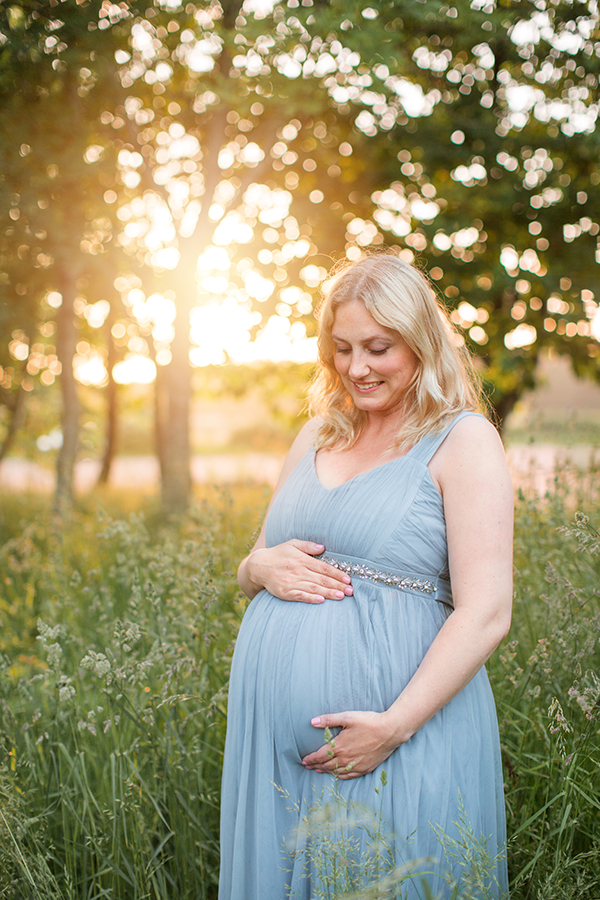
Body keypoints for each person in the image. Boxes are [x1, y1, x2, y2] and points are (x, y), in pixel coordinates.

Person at [218, 253, 513, 899]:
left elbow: (486, 610)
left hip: (398, 733)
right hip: (271, 751)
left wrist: (394, 725)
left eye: (378, 348)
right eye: (343, 348)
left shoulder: (461, 441)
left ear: (419, 342)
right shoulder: (318, 433)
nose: (357, 367)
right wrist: (252, 567)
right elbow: (260, 559)